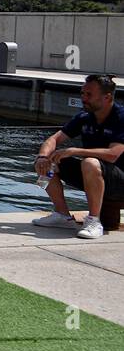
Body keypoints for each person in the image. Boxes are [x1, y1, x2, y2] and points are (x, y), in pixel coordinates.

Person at [32, 74, 123, 239]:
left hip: (119, 180)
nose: (83, 98)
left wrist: (75, 151)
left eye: (89, 95)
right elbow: (53, 139)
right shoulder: (84, 116)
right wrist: (42, 157)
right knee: (47, 162)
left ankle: (94, 221)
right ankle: (62, 214)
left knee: (89, 162)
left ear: (107, 97)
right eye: (82, 93)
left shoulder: (121, 118)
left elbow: (112, 155)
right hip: (93, 174)